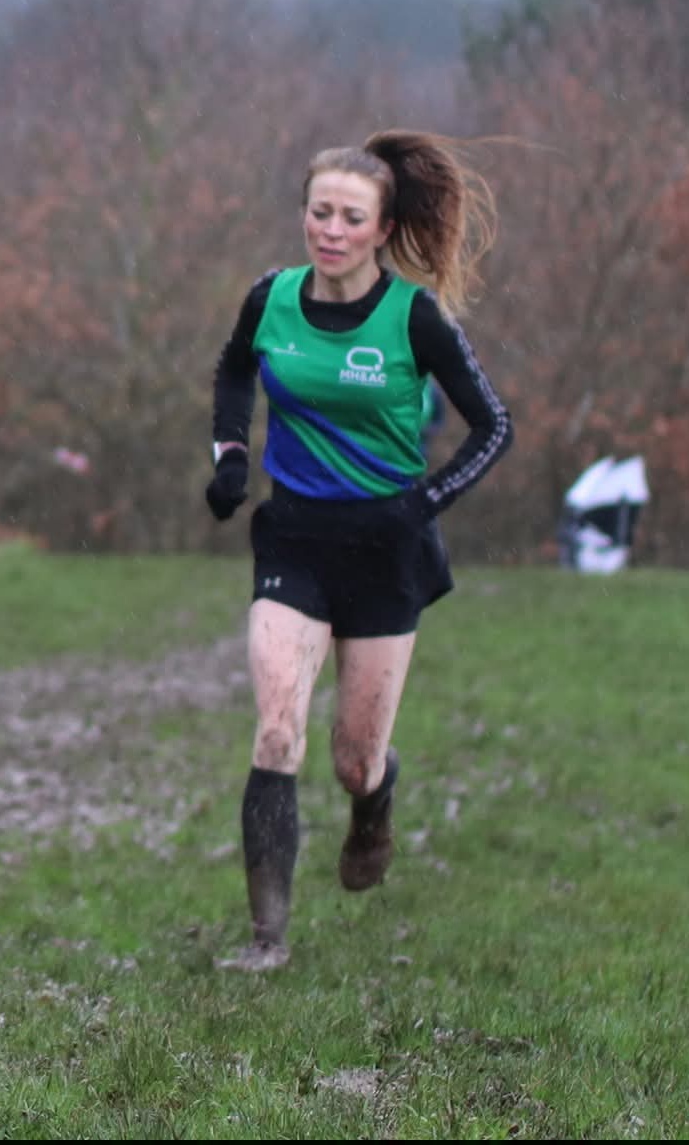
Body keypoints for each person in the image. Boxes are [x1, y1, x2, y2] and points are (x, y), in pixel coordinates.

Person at [202, 130, 513, 972]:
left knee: (352, 760)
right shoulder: (270, 297)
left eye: (349, 217)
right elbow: (233, 370)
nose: (330, 230)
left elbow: (493, 425)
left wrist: (426, 502)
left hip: (385, 553)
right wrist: (229, 455)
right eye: (318, 213)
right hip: (294, 539)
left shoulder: (412, 317)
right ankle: (266, 939)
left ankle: (374, 799)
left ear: (382, 229)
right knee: (276, 731)